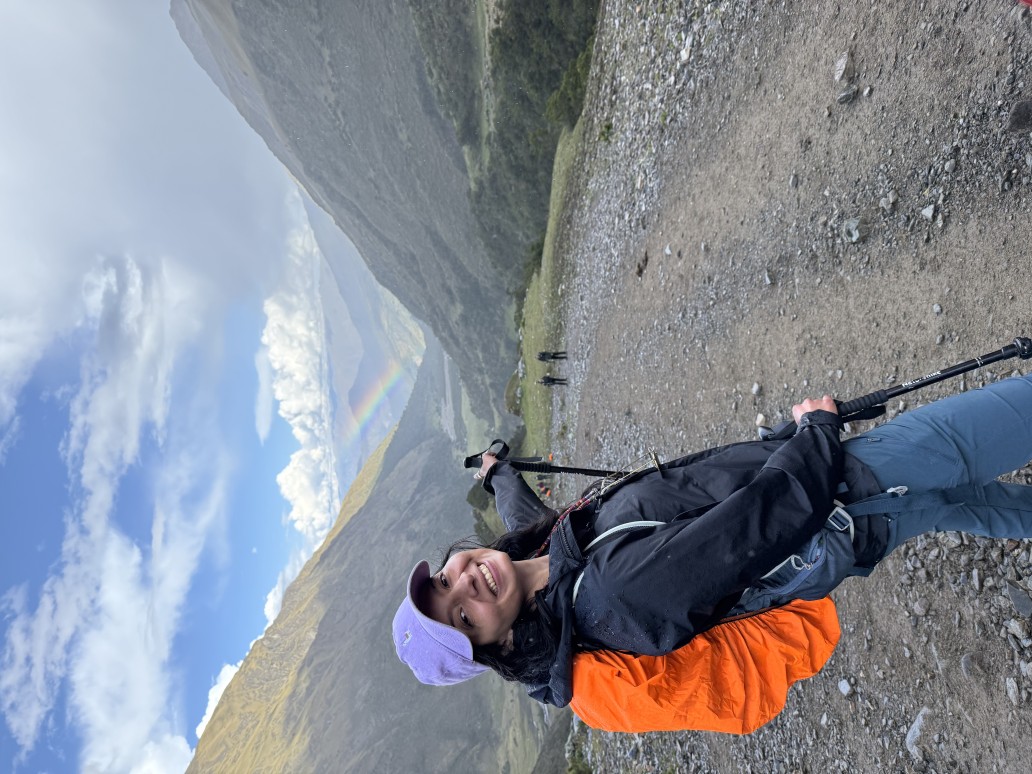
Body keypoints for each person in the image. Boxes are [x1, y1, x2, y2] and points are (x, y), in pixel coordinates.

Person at [392, 373, 1032, 708]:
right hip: (845, 498)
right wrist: (816, 433)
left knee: (964, 503)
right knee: (993, 426)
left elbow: (528, 518)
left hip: (833, 499)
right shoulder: (609, 595)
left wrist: (498, 474)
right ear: (499, 646)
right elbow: (750, 532)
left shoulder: (549, 561)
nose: (466, 583)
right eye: (462, 617)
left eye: (445, 580)